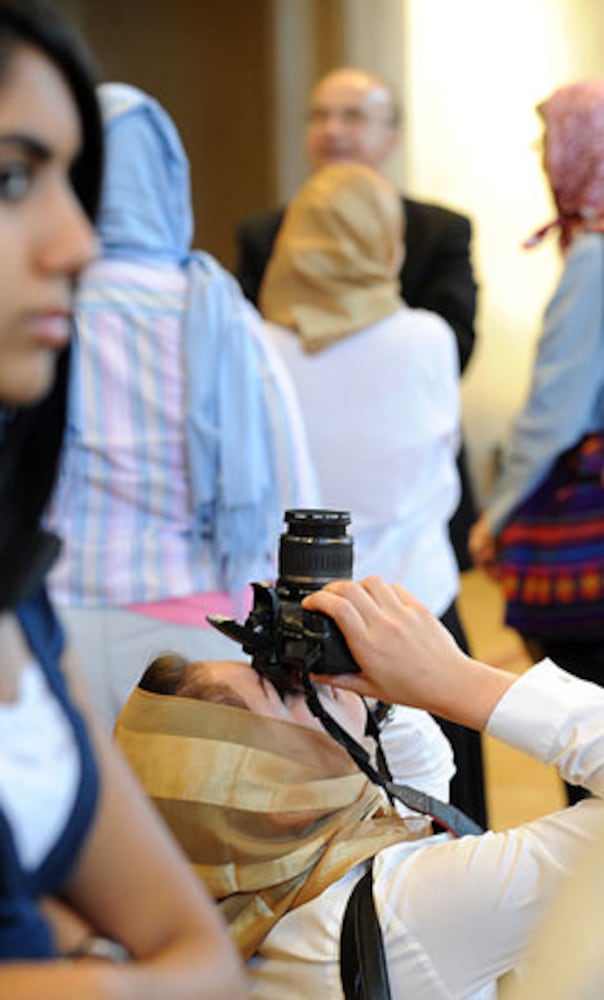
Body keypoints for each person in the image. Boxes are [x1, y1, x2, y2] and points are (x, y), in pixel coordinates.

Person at [0, 2, 246, 994]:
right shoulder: (217, 314)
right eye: (14, 178)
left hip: (92, 609)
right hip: (189, 610)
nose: (76, 243)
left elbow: (205, 958)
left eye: (79, 182)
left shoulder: (20, 603)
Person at [116, 574, 604, 1000]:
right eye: (285, 690)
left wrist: (361, 676)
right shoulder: (404, 913)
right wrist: (457, 680)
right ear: (281, 801)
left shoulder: (260, 888)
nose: (311, 680)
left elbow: (422, 781)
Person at [46, 82, 317, 728]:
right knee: (184, 826)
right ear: (167, 177)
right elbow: (290, 480)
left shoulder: (35, 302)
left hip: (51, 614)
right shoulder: (219, 312)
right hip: (190, 626)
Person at [260, 160, 487, 827]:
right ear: (389, 245)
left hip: (301, 629)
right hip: (419, 616)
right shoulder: (427, 340)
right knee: (447, 820)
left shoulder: (257, 346)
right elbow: (438, 462)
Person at [236, 66, 479, 569]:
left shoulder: (437, 230)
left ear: (393, 135)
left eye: (353, 116)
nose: (334, 130)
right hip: (295, 491)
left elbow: (456, 343)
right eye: (321, 115)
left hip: (401, 487)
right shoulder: (264, 233)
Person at [469, 80, 604, 803]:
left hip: (588, 539)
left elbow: (555, 412)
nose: (539, 154)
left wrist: (497, 512)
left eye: (547, 138)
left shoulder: (595, 258)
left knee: (588, 742)